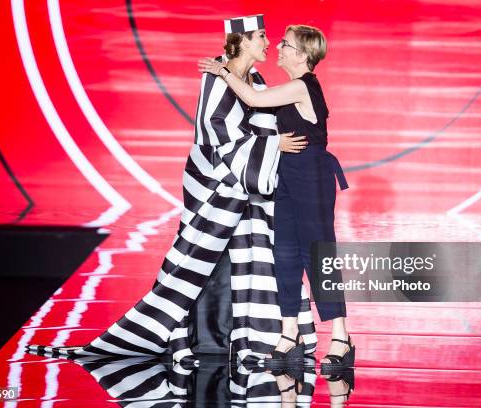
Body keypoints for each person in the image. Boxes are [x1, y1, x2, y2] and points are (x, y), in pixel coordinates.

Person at [27, 14, 319, 365]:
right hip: (216, 190)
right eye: (260, 36)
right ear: (241, 40)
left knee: (251, 264)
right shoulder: (215, 81)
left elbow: (260, 120)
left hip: (244, 194)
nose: (268, 43)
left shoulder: (253, 80)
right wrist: (272, 147)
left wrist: (272, 145)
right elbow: (215, 136)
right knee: (196, 265)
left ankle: (257, 342)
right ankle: (193, 343)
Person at [198, 24, 354, 372]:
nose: (278, 48)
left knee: (317, 254)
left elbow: (252, 99)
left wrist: (222, 69)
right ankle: (289, 333)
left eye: (285, 45)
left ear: (301, 55)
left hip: (311, 175)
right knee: (284, 254)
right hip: (286, 175)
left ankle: (341, 336)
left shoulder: (301, 86)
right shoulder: (288, 87)